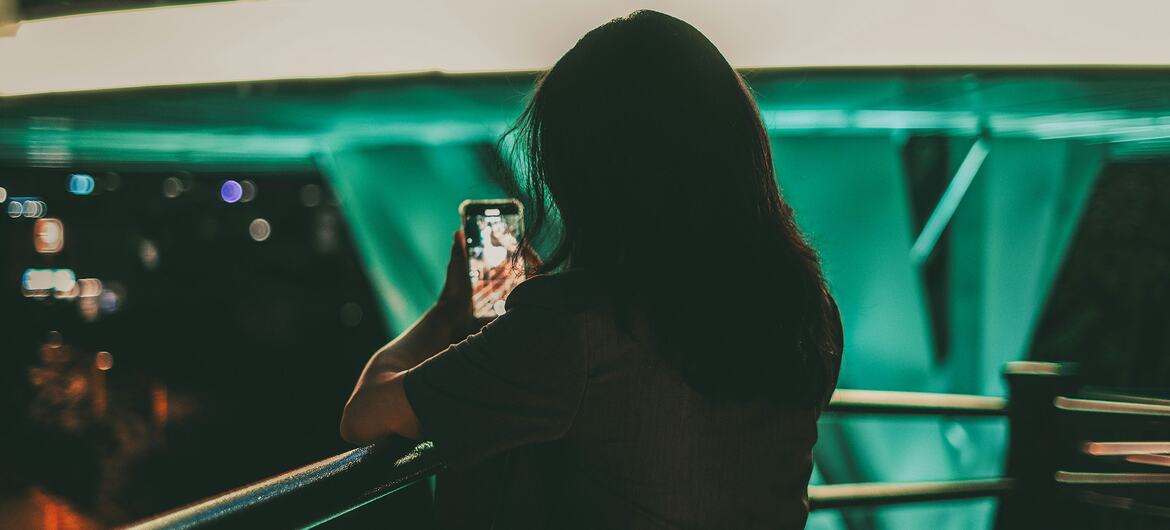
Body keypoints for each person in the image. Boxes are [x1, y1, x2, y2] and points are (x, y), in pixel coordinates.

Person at [340, 10, 843, 529]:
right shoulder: (808, 310)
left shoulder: (574, 328)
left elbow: (366, 415)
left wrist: (446, 313)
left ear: (587, 175)